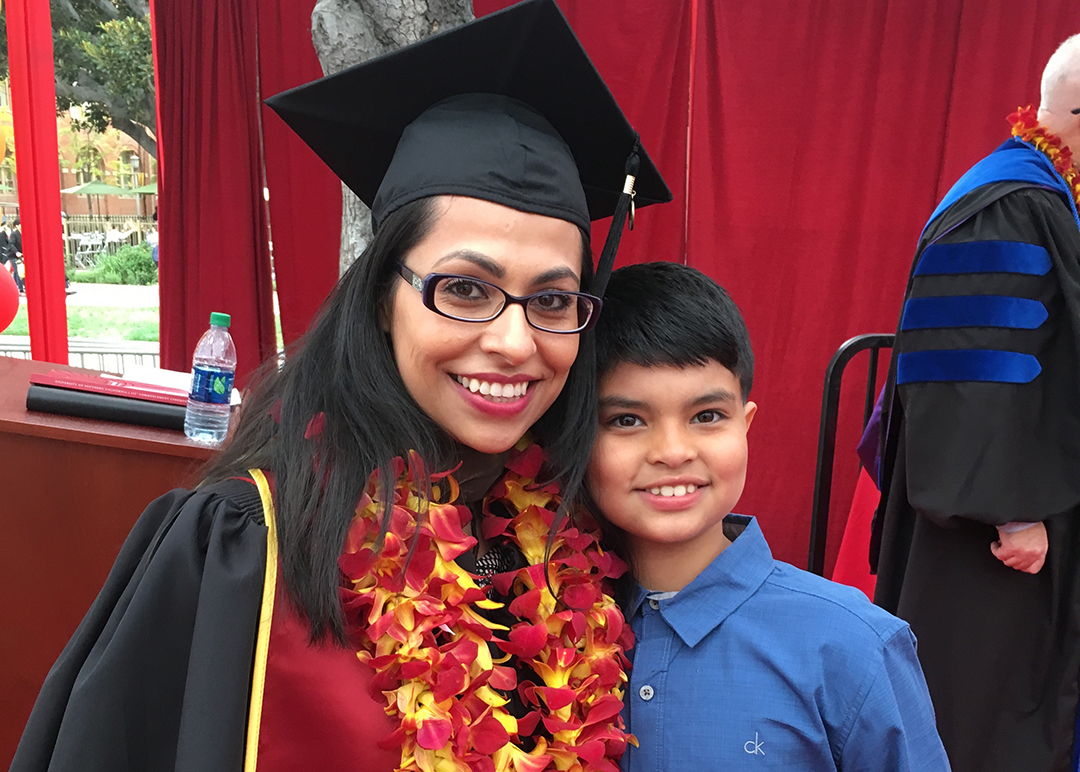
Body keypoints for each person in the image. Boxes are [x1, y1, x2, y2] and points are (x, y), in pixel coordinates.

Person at [10, 2, 670, 771]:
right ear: (381, 298)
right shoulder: (245, 543)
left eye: (552, 301)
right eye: (463, 290)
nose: (515, 342)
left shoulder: (572, 548)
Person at [585, 262, 951, 771]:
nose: (672, 451)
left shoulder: (853, 646)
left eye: (706, 416)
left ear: (746, 423)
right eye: (626, 420)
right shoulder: (548, 625)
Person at [872, 34, 1080, 772]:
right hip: (997, 533)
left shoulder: (1045, 191)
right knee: (980, 716)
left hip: (1033, 506)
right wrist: (1014, 509)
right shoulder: (1011, 207)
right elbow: (971, 367)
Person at [7, 217, 24, 294]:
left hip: (21, 255)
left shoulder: (23, 233)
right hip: (13, 255)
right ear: (16, 226)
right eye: (20, 224)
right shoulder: (14, 234)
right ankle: (19, 288)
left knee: (20, 271)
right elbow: (11, 244)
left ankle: (15, 287)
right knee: (18, 270)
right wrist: (16, 252)